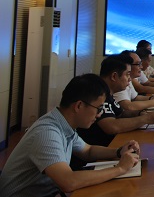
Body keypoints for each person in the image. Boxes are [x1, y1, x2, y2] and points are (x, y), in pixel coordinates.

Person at [0, 74, 140, 197]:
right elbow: (68, 181)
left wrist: (119, 152)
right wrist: (120, 169)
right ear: (79, 106)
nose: (99, 114)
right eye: (98, 108)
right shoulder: (47, 133)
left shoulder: (64, 124)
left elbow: (88, 151)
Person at [76, 57, 154, 147]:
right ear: (114, 76)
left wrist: (139, 113)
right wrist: (145, 119)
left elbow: (121, 113)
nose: (130, 79)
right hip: (101, 149)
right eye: (127, 74)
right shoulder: (98, 94)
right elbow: (111, 126)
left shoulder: (108, 93)